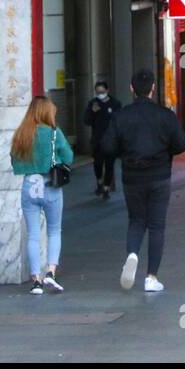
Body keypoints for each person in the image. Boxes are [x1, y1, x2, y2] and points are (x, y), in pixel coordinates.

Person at [110, 68, 185, 292]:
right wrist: (165, 152)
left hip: (132, 178)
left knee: (136, 221)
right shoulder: (166, 116)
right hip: (160, 177)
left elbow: (106, 146)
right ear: (153, 88)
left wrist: (124, 154)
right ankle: (151, 277)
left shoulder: (121, 116)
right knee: (156, 225)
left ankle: (132, 254)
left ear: (132, 89)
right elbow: (182, 144)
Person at [10, 96, 74, 295]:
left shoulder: (22, 133)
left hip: (29, 185)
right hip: (50, 186)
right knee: (54, 230)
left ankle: (36, 280)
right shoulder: (54, 133)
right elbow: (69, 157)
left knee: (33, 235)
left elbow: (14, 160)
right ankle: (51, 272)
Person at [82, 80, 122, 199]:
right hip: (97, 140)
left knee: (110, 164)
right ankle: (99, 182)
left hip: (111, 140)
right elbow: (86, 121)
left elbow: (120, 120)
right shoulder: (93, 103)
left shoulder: (115, 103)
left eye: (102, 91)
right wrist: (92, 112)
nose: (100, 94)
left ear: (107, 90)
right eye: (98, 92)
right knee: (98, 164)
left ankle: (106, 188)